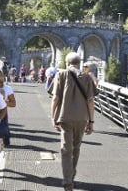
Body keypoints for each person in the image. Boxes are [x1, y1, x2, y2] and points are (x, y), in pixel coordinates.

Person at [51, 52, 96, 191]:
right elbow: (91, 101)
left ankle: (67, 183)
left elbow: (55, 98)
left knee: (66, 150)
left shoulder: (61, 75)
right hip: (82, 118)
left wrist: (53, 117)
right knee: (76, 148)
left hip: (65, 117)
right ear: (79, 63)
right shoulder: (87, 77)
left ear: (67, 63)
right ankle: (72, 176)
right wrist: (91, 121)